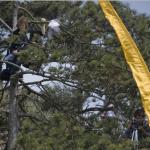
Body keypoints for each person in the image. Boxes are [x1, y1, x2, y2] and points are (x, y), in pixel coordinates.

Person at [0, 16, 46, 81]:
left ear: (26, 25)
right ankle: (11, 73)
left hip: (26, 53)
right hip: (15, 53)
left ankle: (34, 67)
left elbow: (43, 33)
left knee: (26, 60)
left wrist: (43, 24)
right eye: (20, 25)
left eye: (23, 25)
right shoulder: (16, 33)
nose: (21, 27)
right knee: (7, 60)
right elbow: (12, 48)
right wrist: (15, 52)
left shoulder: (30, 31)